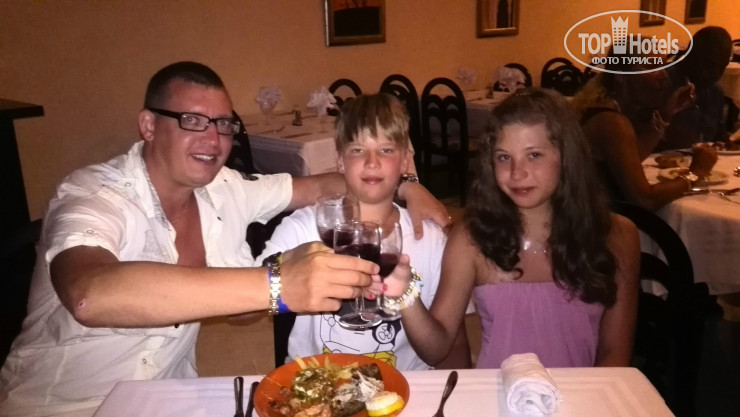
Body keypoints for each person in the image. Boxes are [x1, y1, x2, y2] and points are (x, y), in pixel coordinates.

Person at [0, 62, 449, 417]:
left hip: (167, 397)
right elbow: (89, 294)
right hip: (62, 405)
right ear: (149, 125)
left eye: (223, 123)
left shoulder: (227, 188)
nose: (213, 139)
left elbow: (322, 184)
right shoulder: (93, 194)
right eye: (192, 120)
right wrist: (278, 284)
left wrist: (407, 185)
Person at [398, 89, 640, 368]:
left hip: (581, 394)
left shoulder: (618, 236)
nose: (517, 172)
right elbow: (436, 349)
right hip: (498, 393)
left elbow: (614, 355)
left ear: (567, 156)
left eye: (534, 155)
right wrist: (404, 293)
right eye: (504, 157)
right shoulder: (471, 240)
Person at [256, 93, 471, 370]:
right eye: (357, 150)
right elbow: (248, 307)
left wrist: (406, 296)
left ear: (406, 161)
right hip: (319, 382)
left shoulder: (430, 239)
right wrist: (292, 266)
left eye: (386, 150)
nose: (372, 162)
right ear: (340, 161)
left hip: (405, 385)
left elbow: (437, 352)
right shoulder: (304, 228)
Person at [572, 51, 718, 210]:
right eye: (651, 67)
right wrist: (696, 173)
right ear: (621, 76)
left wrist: (665, 115)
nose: (664, 76)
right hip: (595, 222)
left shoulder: (603, 109)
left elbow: (632, 159)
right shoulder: (611, 122)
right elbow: (644, 199)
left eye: (663, 66)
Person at [661, 26, 733, 149]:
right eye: (709, 65)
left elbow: (719, 137)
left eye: (722, 67)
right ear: (691, 55)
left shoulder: (715, 92)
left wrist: (731, 140)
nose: (716, 74)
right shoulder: (661, 83)